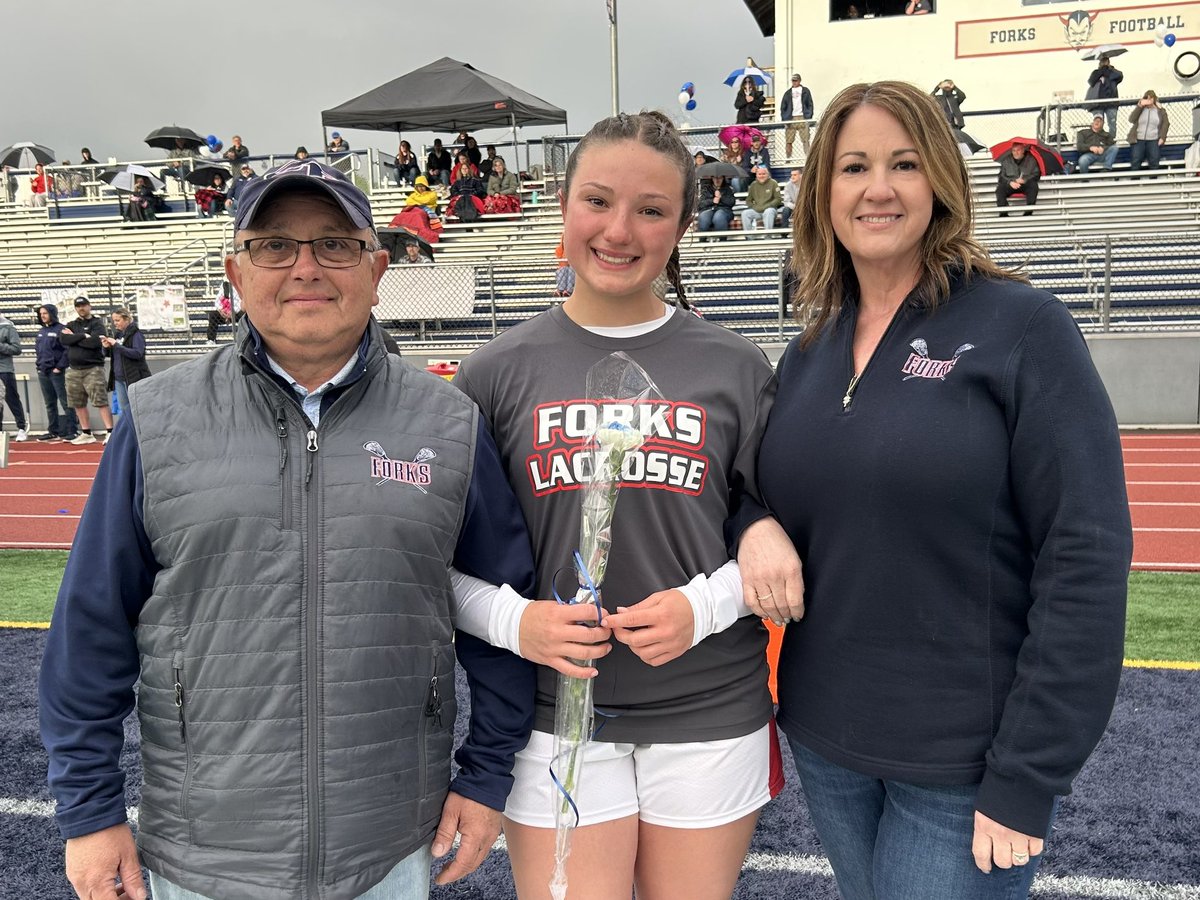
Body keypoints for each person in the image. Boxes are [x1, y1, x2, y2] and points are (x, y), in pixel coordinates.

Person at [39, 157, 538, 900]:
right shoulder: (157, 420)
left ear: (375, 270)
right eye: (275, 245)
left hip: (389, 849)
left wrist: (489, 775)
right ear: (236, 274)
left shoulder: (449, 424)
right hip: (200, 853)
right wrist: (88, 811)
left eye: (334, 244)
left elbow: (501, 614)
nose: (306, 267)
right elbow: (92, 625)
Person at [732, 79, 1131, 900]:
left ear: (940, 181)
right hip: (826, 739)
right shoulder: (809, 350)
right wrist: (752, 525)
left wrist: (1028, 774)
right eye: (853, 167)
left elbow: (1086, 555)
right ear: (822, 193)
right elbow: (755, 488)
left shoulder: (1025, 327)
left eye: (904, 163)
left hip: (963, 765)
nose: (878, 188)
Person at [453, 109, 782, 900]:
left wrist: (703, 608)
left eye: (652, 209)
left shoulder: (737, 367)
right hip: (552, 719)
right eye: (598, 201)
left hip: (710, 712)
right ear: (563, 208)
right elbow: (433, 564)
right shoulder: (495, 374)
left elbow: (785, 547)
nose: (620, 230)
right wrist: (515, 622)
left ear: (682, 225)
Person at [59, 296, 113, 444]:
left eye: (83, 305)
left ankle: (110, 431)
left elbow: (95, 343)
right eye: (78, 306)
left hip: (93, 368)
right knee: (78, 402)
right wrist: (83, 336)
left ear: (89, 306)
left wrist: (75, 339)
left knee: (100, 400)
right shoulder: (71, 324)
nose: (81, 308)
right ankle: (86, 432)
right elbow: (64, 339)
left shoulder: (97, 324)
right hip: (74, 369)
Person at [34, 304, 79, 441]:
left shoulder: (61, 330)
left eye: (45, 313)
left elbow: (67, 350)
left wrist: (59, 367)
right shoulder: (41, 331)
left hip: (57, 372)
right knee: (50, 403)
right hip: (43, 371)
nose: (43, 316)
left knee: (65, 401)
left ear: (52, 313)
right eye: (41, 313)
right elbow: (39, 350)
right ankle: (53, 430)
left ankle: (73, 430)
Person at [101, 307, 150, 416]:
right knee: (124, 410)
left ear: (127, 319)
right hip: (119, 378)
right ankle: (128, 432)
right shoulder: (118, 335)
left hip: (133, 377)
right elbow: (114, 354)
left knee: (137, 409)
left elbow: (137, 353)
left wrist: (116, 345)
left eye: (118, 320)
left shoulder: (136, 334)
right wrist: (106, 347)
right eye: (114, 321)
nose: (115, 323)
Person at [0, 310, 28, 440]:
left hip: (5, 369)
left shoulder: (8, 327)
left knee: (12, 399)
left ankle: (21, 428)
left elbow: (16, 349)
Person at [1128, 89, 1169, 174]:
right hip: (1138, 139)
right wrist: (1139, 106)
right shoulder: (1141, 109)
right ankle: (1135, 181)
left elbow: (1166, 123)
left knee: (1154, 160)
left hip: (1153, 139)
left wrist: (1162, 137)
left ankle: (1153, 181)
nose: (1149, 100)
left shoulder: (1159, 110)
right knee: (1136, 160)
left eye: (1151, 98)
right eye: (1147, 98)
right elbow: (1131, 119)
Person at [996, 142, 1039, 216]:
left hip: (1025, 184)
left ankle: (1028, 212)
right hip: (1011, 184)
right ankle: (1003, 213)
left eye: (1018, 150)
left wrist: (1025, 179)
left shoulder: (1031, 160)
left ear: (1023, 150)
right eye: (1014, 150)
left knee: (1034, 186)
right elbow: (1001, 177)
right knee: (1000, 188)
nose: (1016, 153)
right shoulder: (1006, 160)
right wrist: (1011, 182)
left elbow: (1036, 174)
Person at [1087, 54, 1124, 136]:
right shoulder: (1096, 73)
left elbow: (1120, 76)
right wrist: (1102, 70)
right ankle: (1099, 140)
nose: (1104, 63)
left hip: (1111, 103)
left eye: (1106, 61)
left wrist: (1109, 68)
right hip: (1098, 104)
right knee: (1098, 124)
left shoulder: (1113, 72)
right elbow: (1091, 81)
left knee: (1112, 124)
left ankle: (1111, 140)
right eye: (1102, 62)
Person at [780, 73, 815, 157]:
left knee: (805, 139)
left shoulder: (805, 91)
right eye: (793, 80)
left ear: (799, 80)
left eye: (796, 80)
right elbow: (783, 106)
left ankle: (808, 158)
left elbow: (810, 104)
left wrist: (808, 116)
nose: (794, 82)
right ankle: (788, 158)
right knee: (789, 140)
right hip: (791, 118)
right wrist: (785, 118)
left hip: (802, 116)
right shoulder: (788, 93)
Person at [742, 165, 784, 233]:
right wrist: (754, 207)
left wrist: (767, 206)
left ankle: (768, 237)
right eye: (759, 174)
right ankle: (749, 238)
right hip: (757, 210)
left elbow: (778, 199)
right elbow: (748, 200)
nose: (761, 176)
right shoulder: (753, 185)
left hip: (770, 209)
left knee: (768, 212)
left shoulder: (773, 183)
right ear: (756, 175)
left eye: (763, 174)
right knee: (745, 213)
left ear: (768, 174)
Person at [205, 279, 241, 345]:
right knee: (213, 315)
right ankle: (211, 340)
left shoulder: (242, 285)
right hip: (226, 311)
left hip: (239, 311)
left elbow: (243, 302)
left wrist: (233, 311)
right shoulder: (225, 284)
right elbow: (218, 300)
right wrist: (221, 310)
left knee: (246, 314)